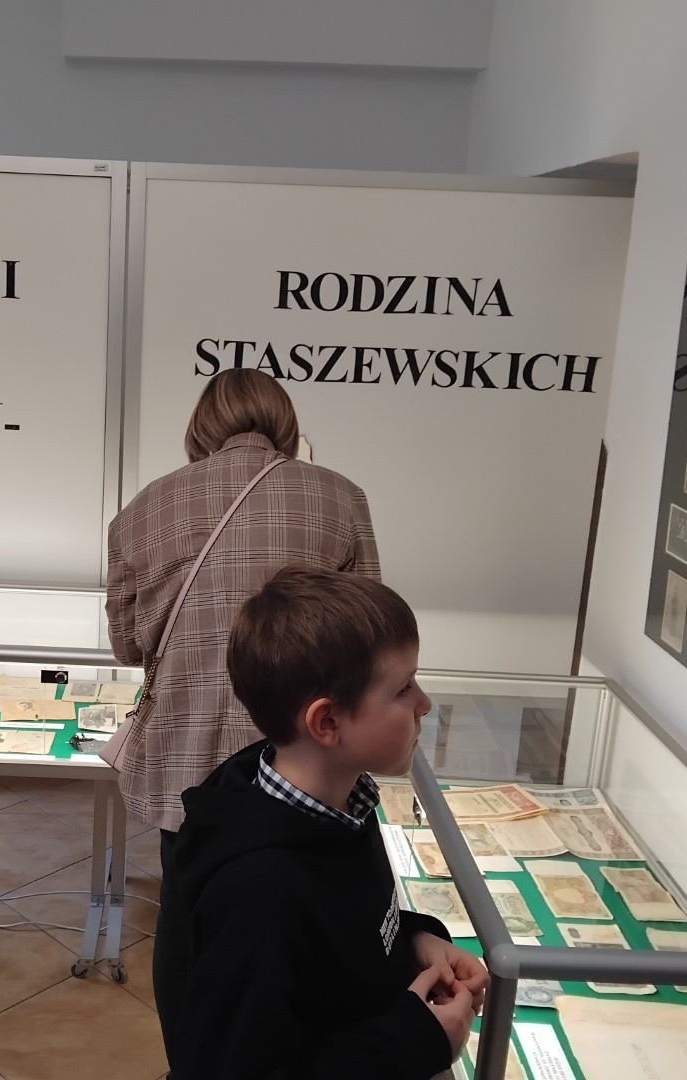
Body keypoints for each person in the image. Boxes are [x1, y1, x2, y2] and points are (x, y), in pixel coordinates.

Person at [104, 368, 381, 1057]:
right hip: (302, 749)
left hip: (186, 750)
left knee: (185, 913)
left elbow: (127, 644)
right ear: (285, 424)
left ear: (201, 428)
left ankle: (191, 1062)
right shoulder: (341, 497)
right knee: (305, 909)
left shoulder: (143, 508)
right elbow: (367, 636)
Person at [159, 568, 486, 1079]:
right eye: (403, 689)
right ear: (327, 722)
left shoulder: (342, 805)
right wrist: (417, 1038)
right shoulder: (260, 889)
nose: (424, 704)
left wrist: (413, 941)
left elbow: (339, 929)